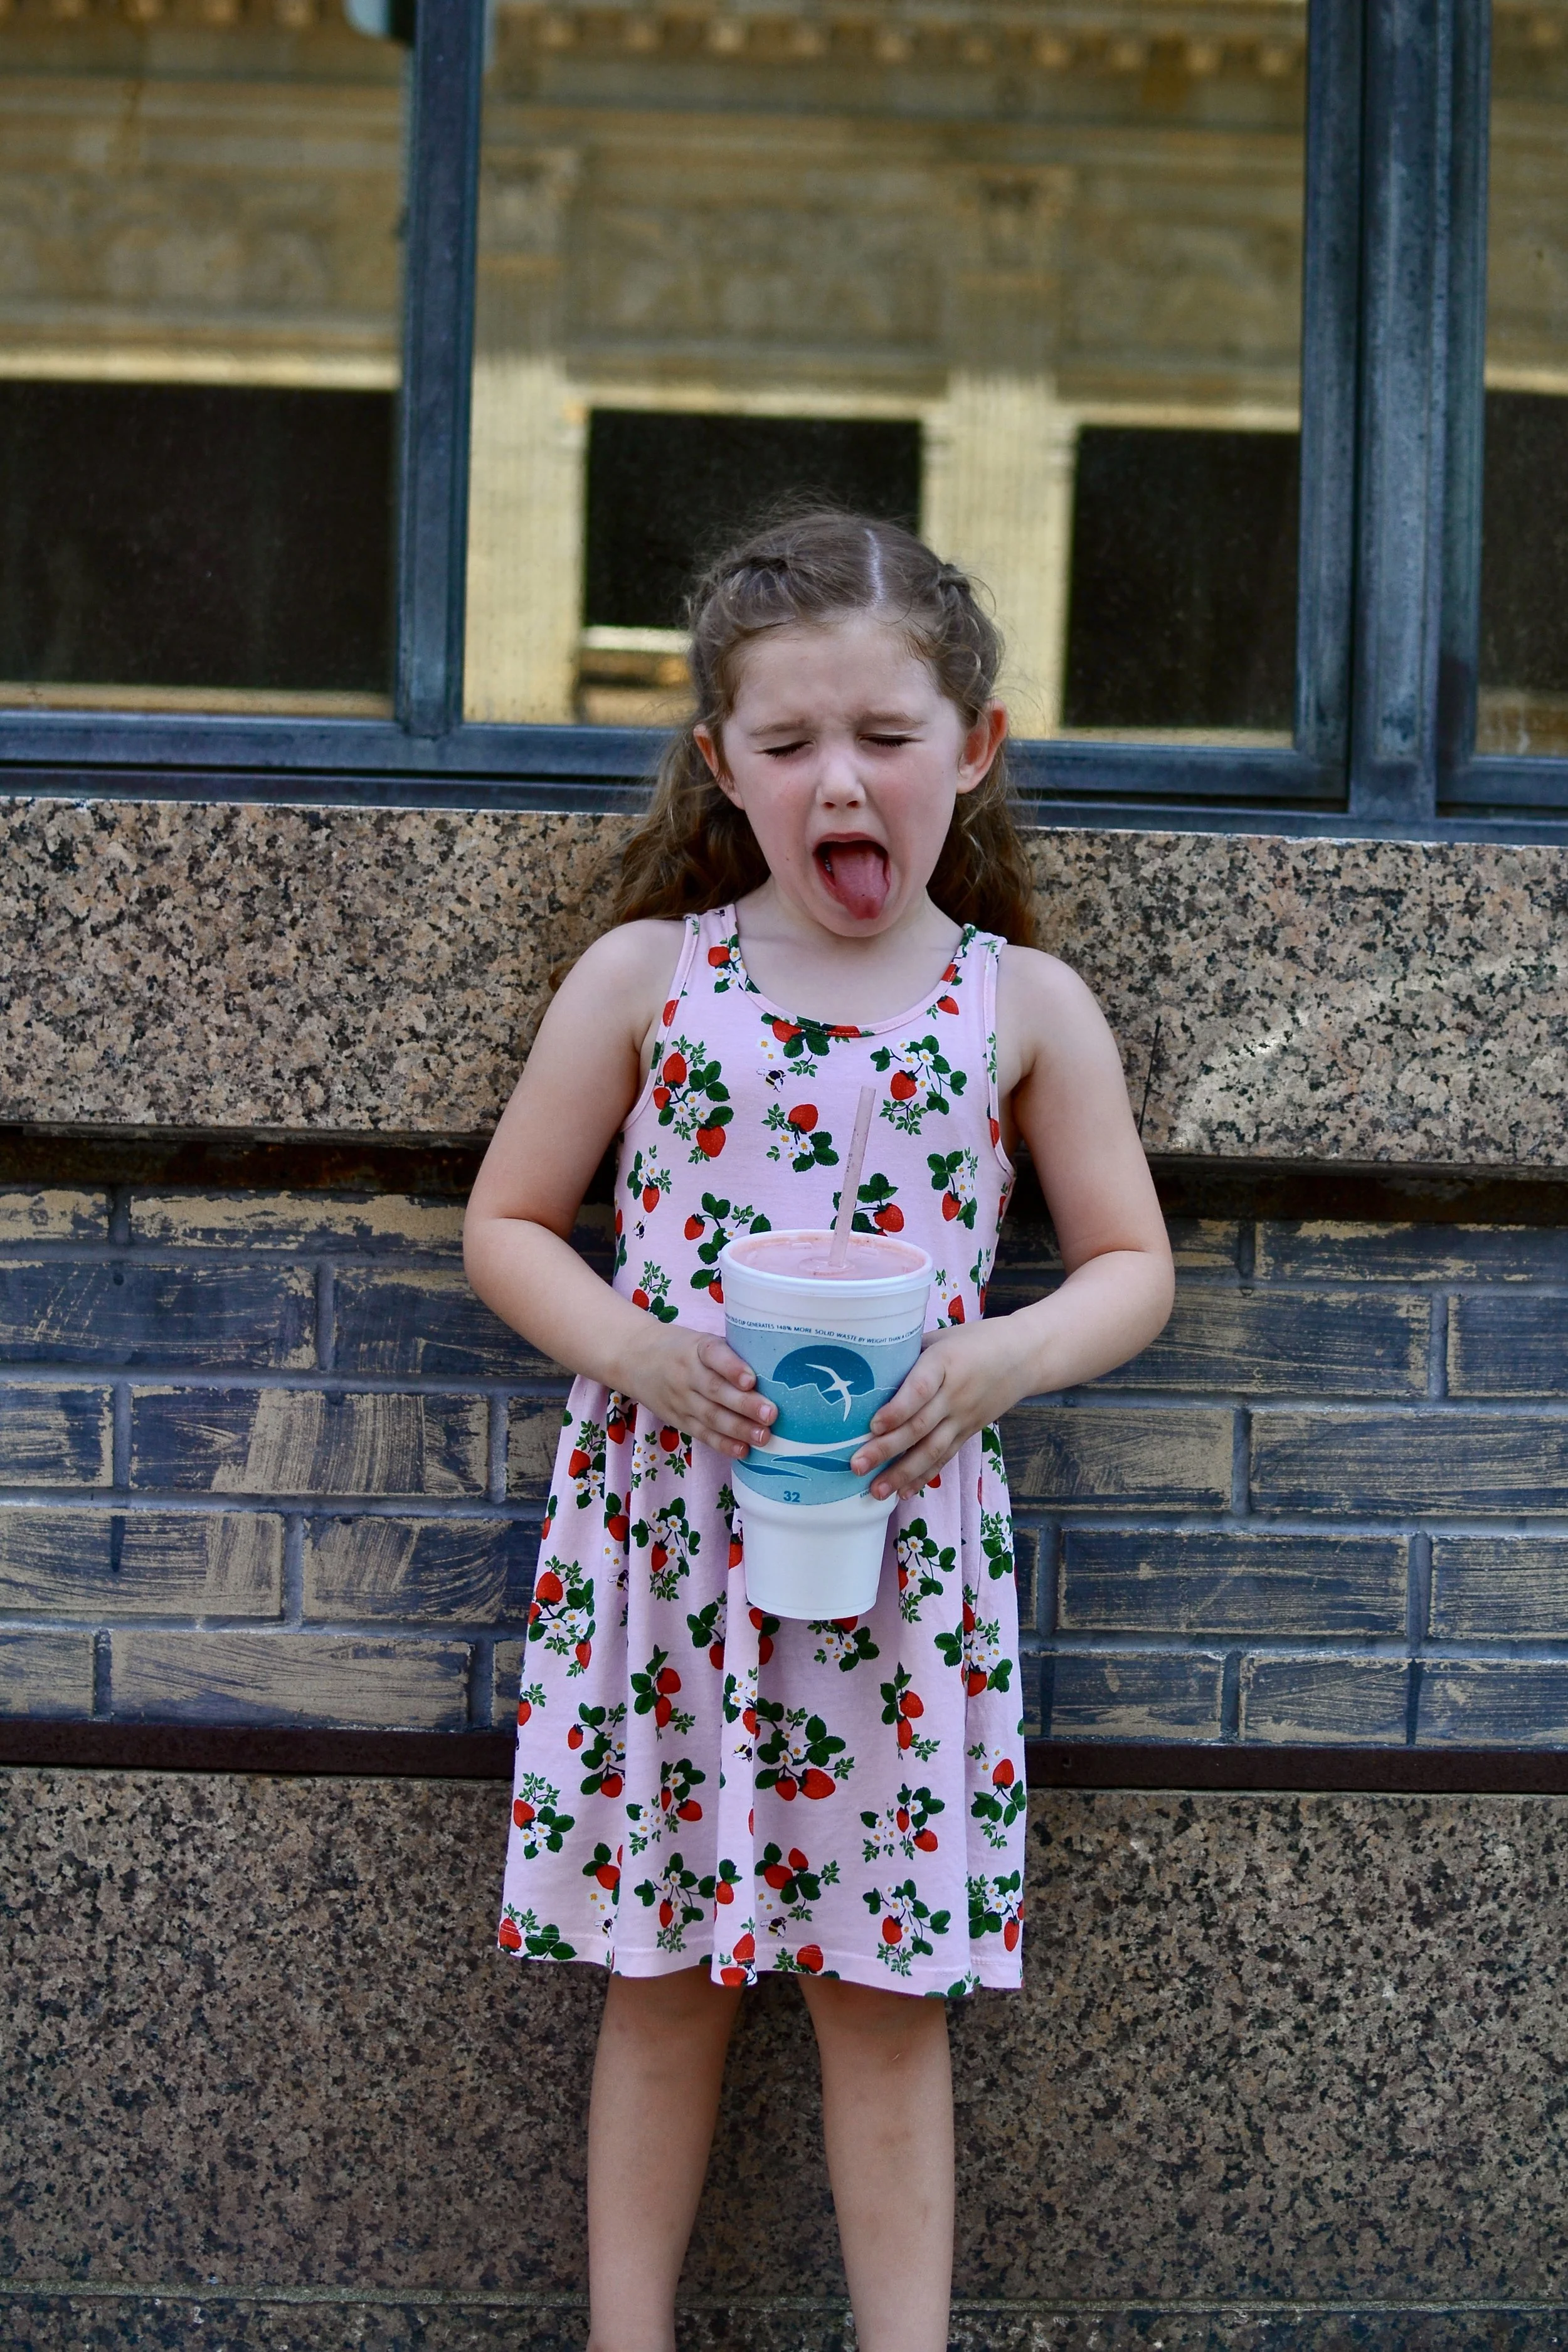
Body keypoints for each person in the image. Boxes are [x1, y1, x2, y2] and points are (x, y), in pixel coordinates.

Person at [464, 507, 1174, 2352]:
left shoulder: (1020, 1007)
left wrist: (998, 1361)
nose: (836, 781)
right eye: (786, 748)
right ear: (721, 765)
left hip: (899, 1564)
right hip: (671, 1555)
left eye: (883, 739)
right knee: (666, 1967)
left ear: (977, 749)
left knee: (883, 1992)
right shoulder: (650, 980)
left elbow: (1126, 1266)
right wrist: (632, 1343)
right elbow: (507, 1222)